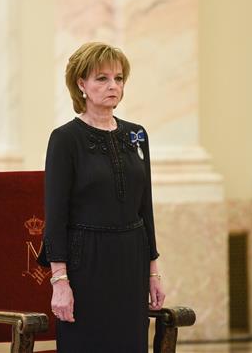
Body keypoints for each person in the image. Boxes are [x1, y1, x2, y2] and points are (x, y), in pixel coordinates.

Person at [38, 42, 165, 352]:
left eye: (118, 78)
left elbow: (144, 207)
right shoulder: (65, 139)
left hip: (131, 261)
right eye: (102, 78)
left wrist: (153, 272)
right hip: (86, 262)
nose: (113, 86)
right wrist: (60, 282)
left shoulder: (137, 135)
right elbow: (56, 215)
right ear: (81, 84)